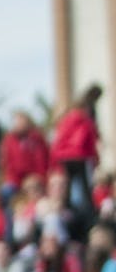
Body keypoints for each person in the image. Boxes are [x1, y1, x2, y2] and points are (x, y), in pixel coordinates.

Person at [50, 83, 103, 242]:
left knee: (69, 190)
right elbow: (88, 139)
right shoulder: (85, 118)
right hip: (80, 155)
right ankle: (90, 220)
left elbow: (59, 140)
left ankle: (68, 211)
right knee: (86, 190)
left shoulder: (66, 118)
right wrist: (95, 158)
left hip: (65, 156)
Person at [0, 110, 49, 205]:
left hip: (36, 179)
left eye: (21, 121)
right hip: (15, 181)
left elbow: (42, 161)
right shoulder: (8, 141)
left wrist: (37, 178)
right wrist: (19, 181)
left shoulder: (36, 138)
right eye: (16, 122)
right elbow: (7, 165)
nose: (18, 124)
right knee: (5, 193)